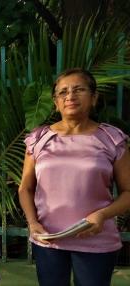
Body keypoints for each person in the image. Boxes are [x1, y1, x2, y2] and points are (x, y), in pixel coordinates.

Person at [18, 68, 130, 286]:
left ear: (94, 97)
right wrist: (32, 222)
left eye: (79, 89)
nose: (70, 96)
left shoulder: (112, 139)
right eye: (63, 92)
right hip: (48, 240)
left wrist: (102, 215)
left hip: (96, 240)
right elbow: (25, 188)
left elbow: (128, 192)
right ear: (55, 102)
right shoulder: (39, 139)